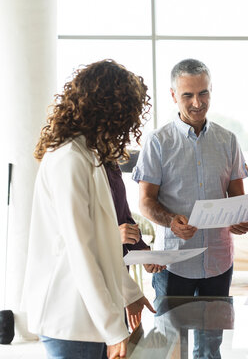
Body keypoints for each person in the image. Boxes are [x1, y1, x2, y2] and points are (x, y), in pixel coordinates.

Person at [21, 59, 155, 359]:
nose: (126, 126)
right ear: (108, 111)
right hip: (70, 318)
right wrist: (113, 329)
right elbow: (82, 252)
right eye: (125, 117)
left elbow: (103, 244)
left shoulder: (88, 155)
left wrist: (130, 294)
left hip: (88, 316)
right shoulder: (69, 159)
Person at [133, 58, 248, 297]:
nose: (197, 103)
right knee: (172, 335)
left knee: (213, 336)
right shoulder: (158, 142)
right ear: (173, 95)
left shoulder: (228, 140)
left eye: (203, 93)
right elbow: (146, 202)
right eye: (188, 95)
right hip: (174, 265)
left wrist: (240, 219)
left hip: (219, 262)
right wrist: (170, 221)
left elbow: (237, 199)